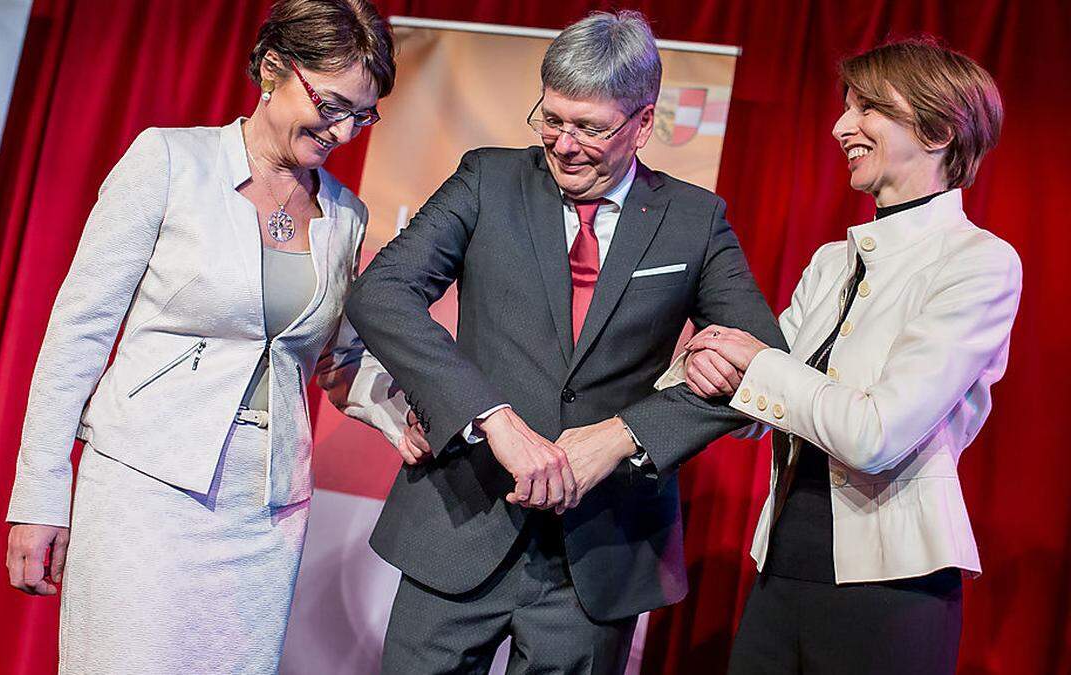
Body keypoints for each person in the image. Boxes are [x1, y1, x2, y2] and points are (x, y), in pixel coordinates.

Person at [344, 11, 786, 674]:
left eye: (590, 127)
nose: (564, 143)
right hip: (462, 525)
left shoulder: (695, 221)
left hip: (597, 557)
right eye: (551, 119)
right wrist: (486, 414)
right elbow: (382, 293)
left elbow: (766, 367)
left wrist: (623, 434)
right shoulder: (487, 180)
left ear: (642, 122)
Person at [3, 1, 425, 672]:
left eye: (363, 114)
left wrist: (406, 419)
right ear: (272, 69)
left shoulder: (345, 215)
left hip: (264, 513)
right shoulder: (170, 161)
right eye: (334, 104)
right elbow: (77, 334)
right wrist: (39, 495)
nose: (345, 131)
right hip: (145, 486)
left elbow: (336, 361)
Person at [666, 39, 1019, 674]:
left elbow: (875, 434)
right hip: (781, 575)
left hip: (891, 594)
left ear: (938, 129)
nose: (840, 127)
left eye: (868, 108)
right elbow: (761, 407)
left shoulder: (978, 262)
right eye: (845, 107)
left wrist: (756, 365)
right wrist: (706, 362)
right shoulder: (833, 261)